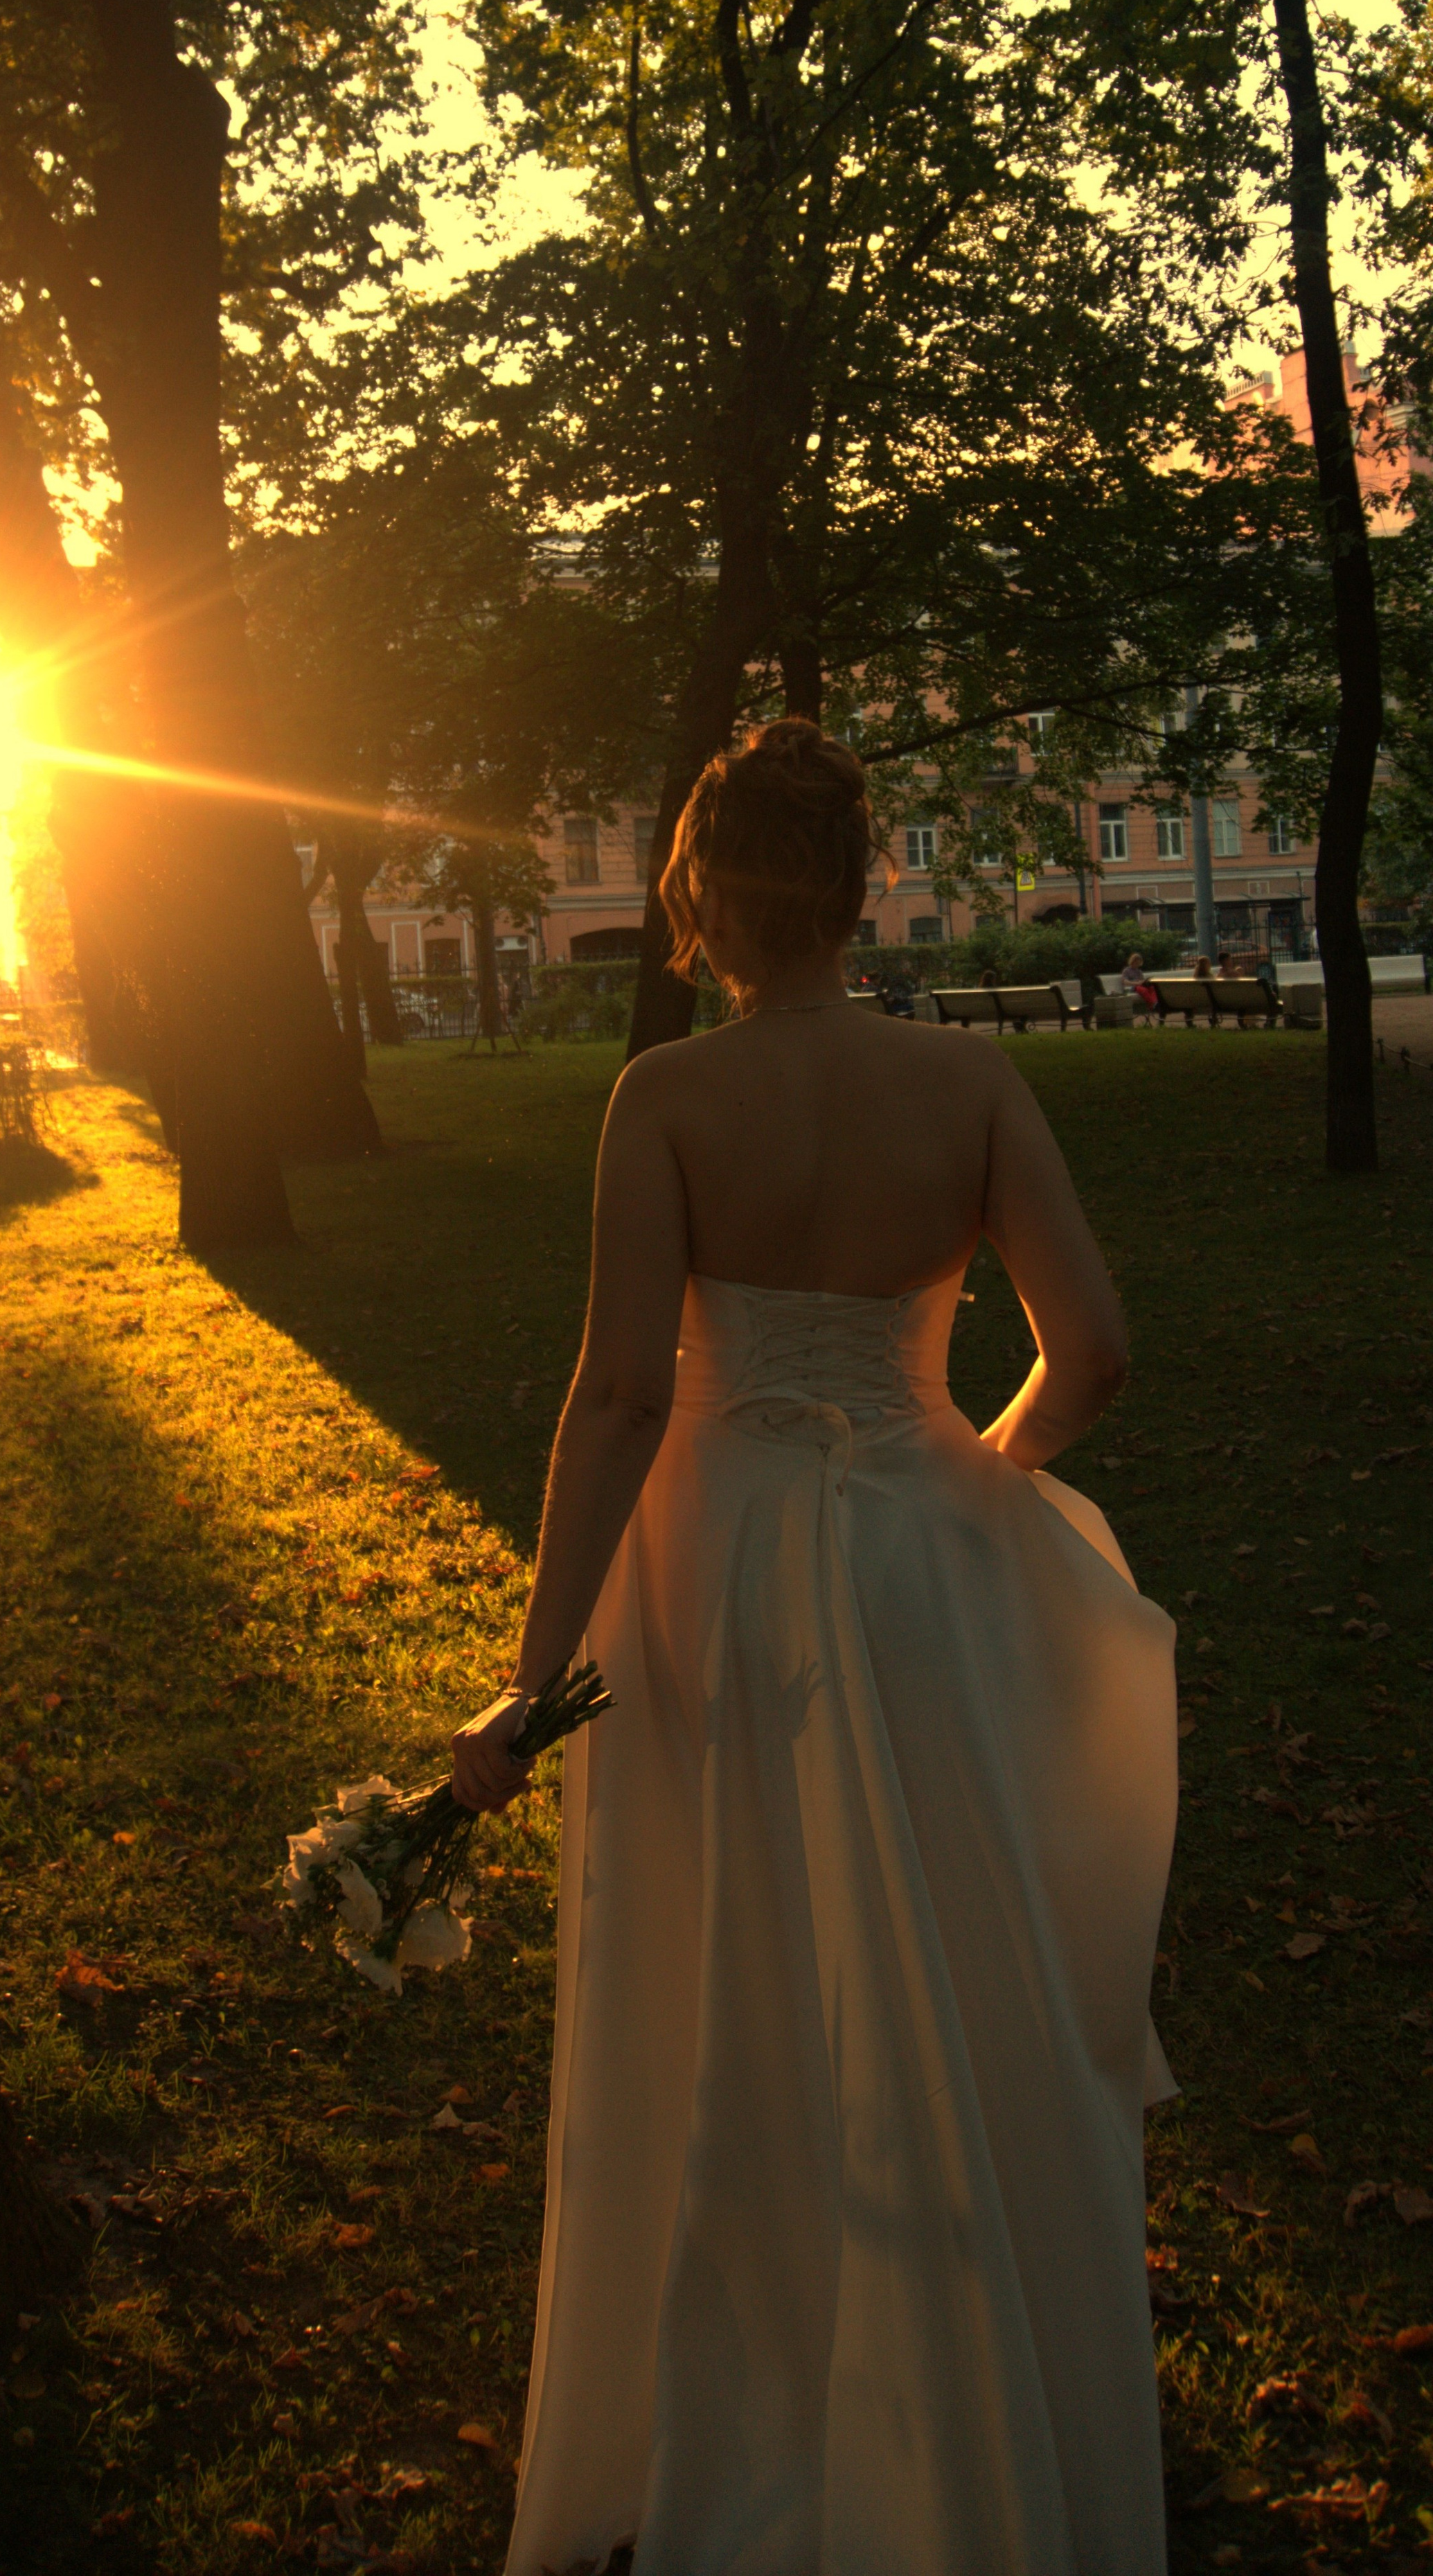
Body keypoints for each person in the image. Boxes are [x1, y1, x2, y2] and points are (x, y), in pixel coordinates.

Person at [452, 717, 1176, 2576]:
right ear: (861, 885)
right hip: (919, 1559)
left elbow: (618, 1395)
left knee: (736, 1970)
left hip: (722, 1566)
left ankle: (755, 2397)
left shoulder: (668, 1100)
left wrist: (530, 1685)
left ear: (699, 895)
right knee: (938, 1950)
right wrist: (972, 1466)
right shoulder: (972, 1079)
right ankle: (972, 2410)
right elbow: (1091, 1346)